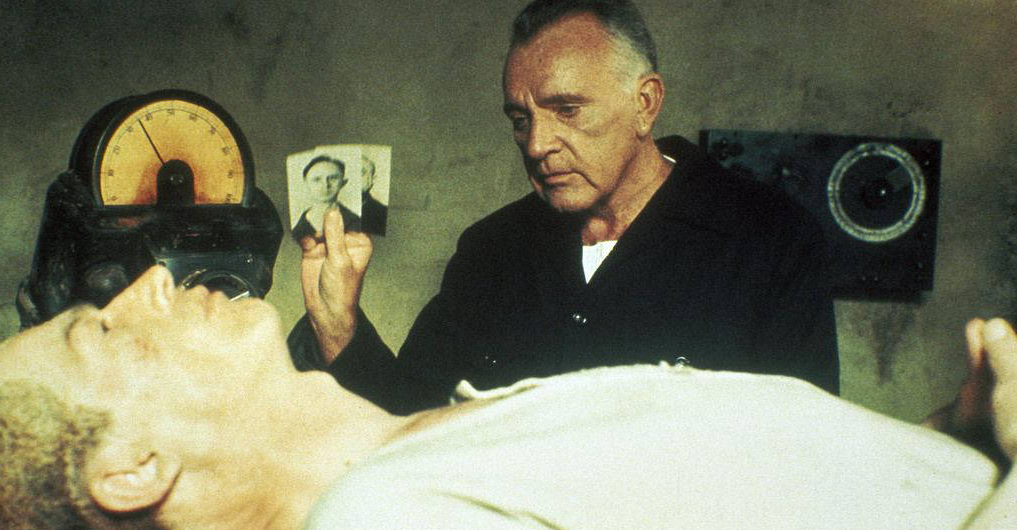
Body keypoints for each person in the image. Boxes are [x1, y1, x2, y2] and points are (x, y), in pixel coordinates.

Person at [0, 265, 1016, 530]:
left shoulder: (435, 445)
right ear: (133, 468)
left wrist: (954, 443)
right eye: (101, 330)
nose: (148, 280)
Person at [289, 0, 840, 414]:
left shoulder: (771, 241)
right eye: (520, 119)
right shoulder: (489, 251)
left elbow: (801, 459)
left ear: (645, 103)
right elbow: (411, 428)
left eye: (568, 110)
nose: (536, 145)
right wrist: (337, 323)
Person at [291, 155, 362, 241]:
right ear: (306, 183)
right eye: (317, 179)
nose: (325, 185)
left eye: (332, 178)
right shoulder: (297, 229)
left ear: (343, 183)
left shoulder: (356, 223)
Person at [360, 155, 388, 236]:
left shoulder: (382, 212)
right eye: (362, 173)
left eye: (371, 174)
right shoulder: (334, 208)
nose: (368, 179)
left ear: (373, 179)